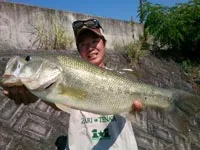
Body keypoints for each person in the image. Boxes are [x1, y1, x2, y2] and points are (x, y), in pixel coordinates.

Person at [2, 18, 143, 150]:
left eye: (94, 41)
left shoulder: (123, 80)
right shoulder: (66, 78)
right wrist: (33, 94)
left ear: (104, 43)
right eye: (83, 44)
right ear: (78, 49)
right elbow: (56, 101)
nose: (90, 47)